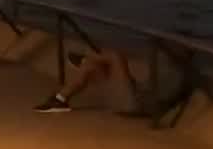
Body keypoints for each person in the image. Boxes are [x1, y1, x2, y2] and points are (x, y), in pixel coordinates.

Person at [34, 49, 180, 116]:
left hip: (135, 102)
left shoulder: (181, 73)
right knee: (93, 67)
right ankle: (60, 99)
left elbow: (161, 100)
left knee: (116, 56)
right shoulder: (169, 65)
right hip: (128, 99)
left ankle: (86, 59)